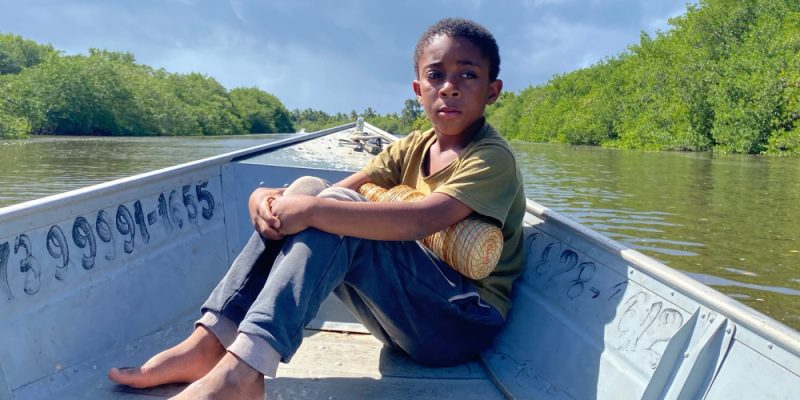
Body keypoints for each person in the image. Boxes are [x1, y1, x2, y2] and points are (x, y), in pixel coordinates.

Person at [108, 17, 526, 399]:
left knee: (329, 207)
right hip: (406, 320)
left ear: (492, 91)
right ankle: (210, 342)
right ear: (418, 90)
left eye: (467, 75)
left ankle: (245, 371)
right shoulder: (413, 147)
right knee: (312, 189)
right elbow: (326, 192)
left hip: (460, 325)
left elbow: (422, 218)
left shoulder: (491, 158)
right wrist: (266, 199)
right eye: (436, 75)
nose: (449, 87)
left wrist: (308, 210)